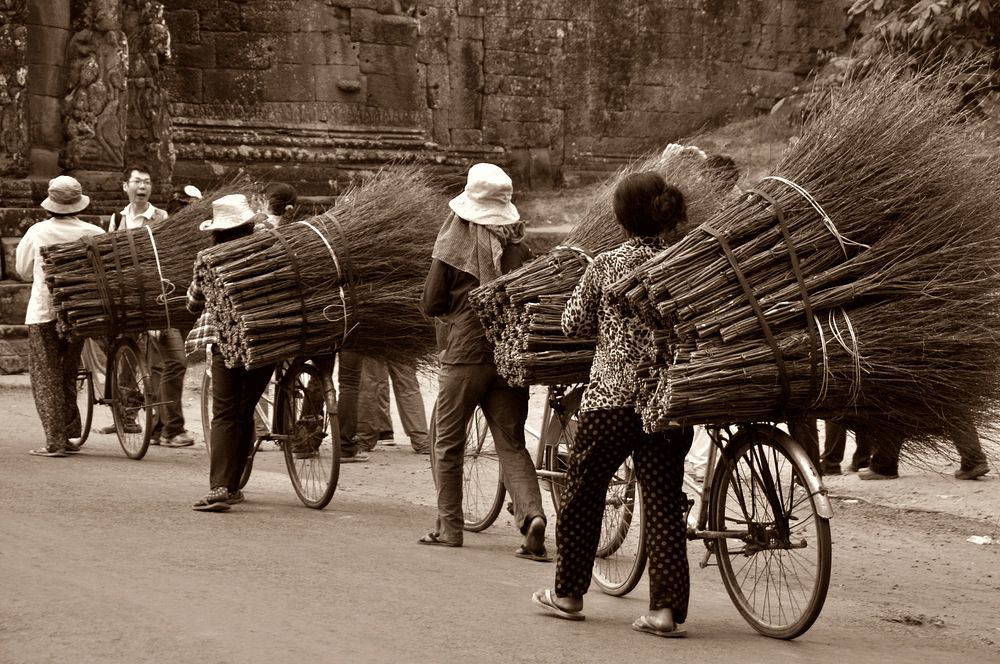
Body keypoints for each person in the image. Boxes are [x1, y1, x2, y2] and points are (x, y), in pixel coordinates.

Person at [532, 170, 694, 638]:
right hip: (666, 402)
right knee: (663, 503)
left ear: (621, 218)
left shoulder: (606, 265)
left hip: (612, 401)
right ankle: (663, 612)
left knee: (583, 494)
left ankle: (567, 594)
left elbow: (571, 323)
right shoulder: (682, 262)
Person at [420, 162, 548, 555]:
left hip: (465, 355)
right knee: (511, 443)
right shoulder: (520, 248)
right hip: (509, 358)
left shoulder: (451, 247)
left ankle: (450, 528)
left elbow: (431, 302)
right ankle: (533, 517)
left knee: (447, 441)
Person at [186, 194, 276, 511]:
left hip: (227, 341)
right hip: (268, 341)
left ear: (218, 229)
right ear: (249, 224)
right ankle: (233, 485)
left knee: (225, 412)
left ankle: (222, 487)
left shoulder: (209, 258)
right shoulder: (269, 250)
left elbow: (194, 302)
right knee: (244, 408)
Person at [100, 164, 194, 447]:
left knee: (172, 362)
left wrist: (157, 312)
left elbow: (165, 262)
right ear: (125, 186)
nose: (142, 186)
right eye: (137, 181)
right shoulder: (118, 219)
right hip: (129, 300)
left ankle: (166, 428)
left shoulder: (161, 217)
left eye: (147, 181)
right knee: (137, 364)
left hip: (158, 301)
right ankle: (149, 422)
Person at [16, 175, 105, 457]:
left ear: (50, 205)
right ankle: (68, 432)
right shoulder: (94, 232)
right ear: (79, 204)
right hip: (78, 312)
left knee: (46, 376)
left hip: (45, 312)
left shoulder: (37, 232)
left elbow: (23, 270)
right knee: (67, 372)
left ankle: (55, 441)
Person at [355, 357, 430, 454]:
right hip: (403, 343)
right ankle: (421, 440)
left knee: (370, 384)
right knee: (408, 387)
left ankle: (365, 439)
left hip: (372, 344)